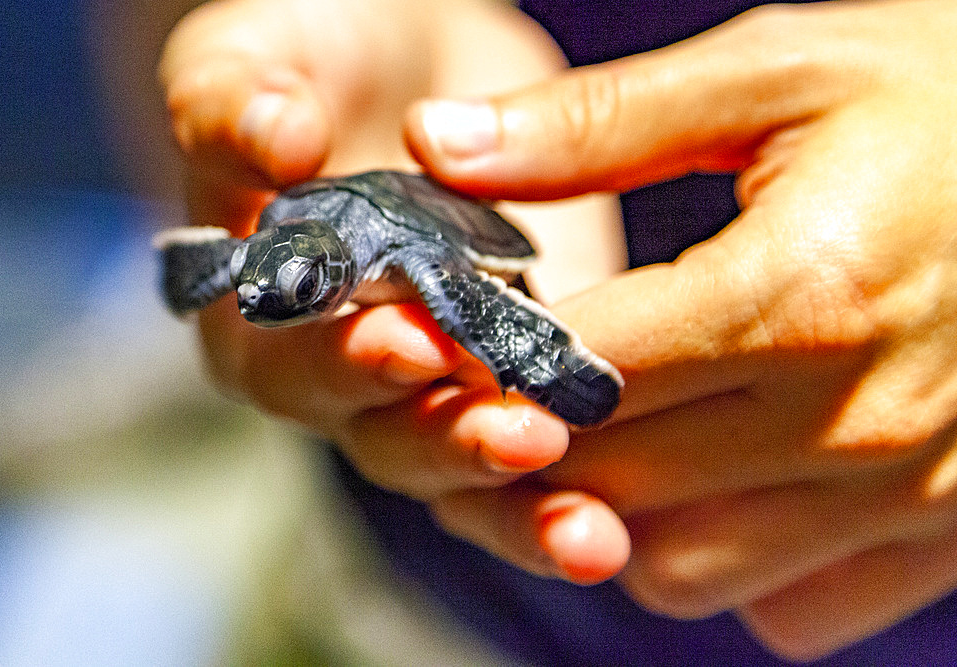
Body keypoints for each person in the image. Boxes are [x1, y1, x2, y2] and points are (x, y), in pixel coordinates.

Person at [157, 0, 957, 661]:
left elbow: (456, 291)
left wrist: (546, 363)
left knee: (464, 325)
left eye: (291, 288)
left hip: (893, 602)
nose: (267, 295)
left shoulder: (410, 260)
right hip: (429, 576)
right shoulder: (291, 231)